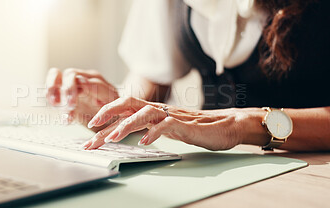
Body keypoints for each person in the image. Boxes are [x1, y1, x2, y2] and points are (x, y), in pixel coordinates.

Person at [46, 0, 330, 152]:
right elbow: (152, 82)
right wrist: (115, 111)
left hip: (312, 171)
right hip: (216, 165)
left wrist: (242, 124)